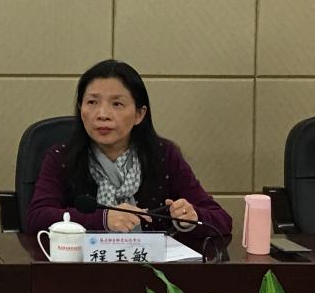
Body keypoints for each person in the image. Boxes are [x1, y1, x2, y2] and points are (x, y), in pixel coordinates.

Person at [26, 59, 231, 238]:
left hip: (151, 265)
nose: (102, 114)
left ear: (139, 114)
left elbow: (221, 220)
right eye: (92, 102)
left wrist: (190, 219)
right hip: (83, 266)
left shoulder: (163, 155)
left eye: (117, 104)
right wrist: (103, 219)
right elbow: (36, 218)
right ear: (81, 109)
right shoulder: (61, 157)